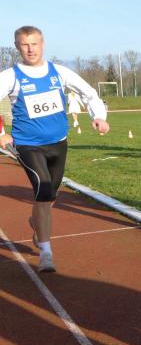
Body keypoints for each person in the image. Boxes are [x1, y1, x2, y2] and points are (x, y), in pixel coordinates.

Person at [0, 25, 110, 272]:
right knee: (43, 188)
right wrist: (1, 134)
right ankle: (46, 253)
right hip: (28, 145)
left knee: (50, 196)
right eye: (24, 44)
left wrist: (98, 116)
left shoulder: (58, 72)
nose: (30, 49)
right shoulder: (10, 76)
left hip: (59, 143)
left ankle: (37, 222)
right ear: (17, 46)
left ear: (43, 44)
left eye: (34, 43)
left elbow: (88, 92)